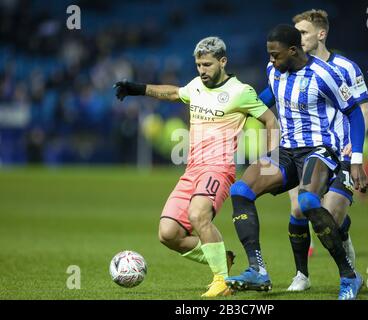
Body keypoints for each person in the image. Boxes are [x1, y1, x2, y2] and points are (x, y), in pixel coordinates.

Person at [113, 36, 279, 297]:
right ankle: (222, 258)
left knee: (198, 214)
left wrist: (272, 158)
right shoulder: (195, 86)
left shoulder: (241, 91)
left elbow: (271, 120)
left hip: (218, 169)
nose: (202, 70)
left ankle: (222, 280)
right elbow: (172, 93)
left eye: (207, 64)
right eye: (198, 65)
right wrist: (137, 88)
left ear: (223, 61)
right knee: (168, 234)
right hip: (192, 170)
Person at [225, 24, 368, 300]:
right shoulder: (274, 71)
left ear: (293, 50)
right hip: (286, 152)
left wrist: (356, 158)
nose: (271, 61)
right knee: (241, 191)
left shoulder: (325, 75)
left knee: (307, 202)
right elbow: (268, 98)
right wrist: (236, 110)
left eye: (275, 55)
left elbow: (354, 114)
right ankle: (257, 269)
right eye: (269, 55)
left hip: (320, 151)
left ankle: (349, 276)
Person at [283, 9, 368, 291]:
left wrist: (355, 146)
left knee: (331, 216)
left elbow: (364, 109)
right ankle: (302, 276)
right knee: (299, 209)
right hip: (306, 151)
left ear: (321, 34)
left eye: (303, 32)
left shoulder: (346, 68)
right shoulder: (291, 67)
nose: (297, 38)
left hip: (341, 153)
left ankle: (342, 236)